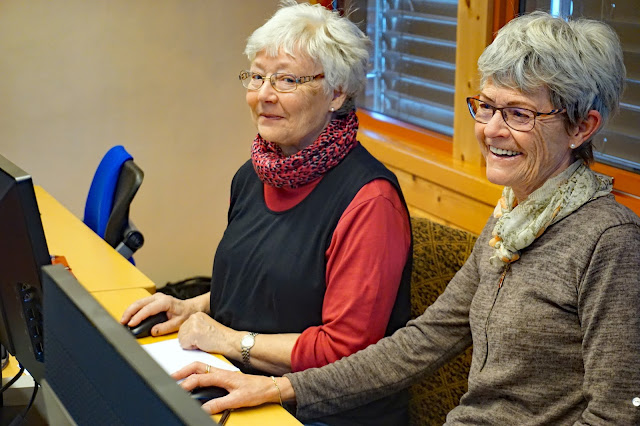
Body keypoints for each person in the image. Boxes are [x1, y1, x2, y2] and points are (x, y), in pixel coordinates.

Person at [172, 11, 640, 425]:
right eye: (488, 106)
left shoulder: (609, 242)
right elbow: (421, 341)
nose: (492, 130)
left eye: (519, 114)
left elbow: (618, 413)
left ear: (582, 127)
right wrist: (281, 388)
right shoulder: (511, 219)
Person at [121, 1, 412, 424]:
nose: (264, 95)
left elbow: (345, 352)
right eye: (257, 76)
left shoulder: (371, 202)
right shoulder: (253, 175)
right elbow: (266, 293)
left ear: (337, 92)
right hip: (242, 383)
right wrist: (196, 307)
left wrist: (228, 340)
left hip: (322, 410)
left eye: (287, 80)